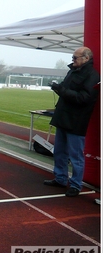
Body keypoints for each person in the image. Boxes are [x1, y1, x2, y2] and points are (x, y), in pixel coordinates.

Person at [44, 47, 100, 197]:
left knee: (76, 156)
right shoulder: (72, 71)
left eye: (75, 58)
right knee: (59, 152)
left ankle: (76, 184)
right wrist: (58, 88)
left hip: (76, 120)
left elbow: (84, 98)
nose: (73, 60)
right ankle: (61, 178)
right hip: (63, 117)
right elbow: (67, 90)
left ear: (86, 58)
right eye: (73, 57)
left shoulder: (92, 75)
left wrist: (61, 90)